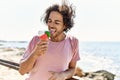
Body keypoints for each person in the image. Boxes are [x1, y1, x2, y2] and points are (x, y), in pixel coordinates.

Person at [19, 1, 80, 80]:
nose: (51, 25)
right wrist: (34, 54)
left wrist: (62, 75)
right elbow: (22, 71)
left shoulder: (73, 42)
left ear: (65, 25)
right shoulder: (36, 40)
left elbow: (72, 69)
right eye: (49, 21)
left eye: (56, 22)